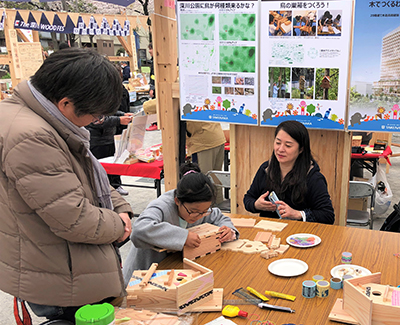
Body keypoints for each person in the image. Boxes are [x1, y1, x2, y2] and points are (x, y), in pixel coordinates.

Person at [0, 48, 133, 323]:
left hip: (59, 265)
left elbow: (84, 175)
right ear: (65, 104)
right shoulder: (32, 135)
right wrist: (120, 225)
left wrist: (120, 206)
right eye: (95, 116)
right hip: (62, 276)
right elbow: (74, 218)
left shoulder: (35, 117)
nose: (95, 122)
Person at [122, 163, 239, 285]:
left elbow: (219, 217)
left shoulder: (201, 209)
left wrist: (229, 230)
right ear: (177, 201)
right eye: (193, 212)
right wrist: (183, 237)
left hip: (173, 272)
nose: (199, 216)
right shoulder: (162, 206)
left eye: (204, 212)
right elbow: (139, 230)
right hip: (142, 277)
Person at [243, 120, 335, 224]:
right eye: (278, 143)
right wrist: (256, 205)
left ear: (301, 149)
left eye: (288, 145)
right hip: (269, 230)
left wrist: (298, 214)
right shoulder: (266, 169)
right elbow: (248, 199)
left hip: (300, 235)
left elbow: (327, 216)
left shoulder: (313, 177)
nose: (280, 149)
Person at [186, 121, 226, 204]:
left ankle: (207, 211)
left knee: (203, 181)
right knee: (215, 178)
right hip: (217, 136)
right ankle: (218, 209)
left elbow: (159, 108)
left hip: (203, 142)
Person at [146, 43, 158, 131]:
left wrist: (152, 88)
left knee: (155, 105)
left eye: (151, 49)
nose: (149, 51)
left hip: (157, 89)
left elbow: (156, 76)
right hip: (155, 88)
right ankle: (155, 122)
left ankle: (156, 123)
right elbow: (152, 76)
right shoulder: (153, 61)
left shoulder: (157, 62)